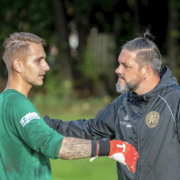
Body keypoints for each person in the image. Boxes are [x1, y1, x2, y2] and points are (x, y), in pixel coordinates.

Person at [0, 32, 139, 180]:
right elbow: (54, 145)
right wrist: (112, 148)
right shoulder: (18, 104)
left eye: (45, 60)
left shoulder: (4, 100)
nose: (46, 66)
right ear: (18, 65)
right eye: (38, 61)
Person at [44, 30, 180, 180]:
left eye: (125, 65)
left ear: (146, 71)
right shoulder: (123, 103)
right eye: (118, 63)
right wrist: (42, 124)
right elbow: (90, 131)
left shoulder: (174, 100)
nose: (117, 70)